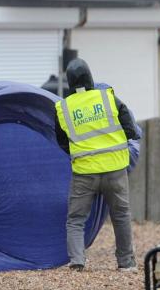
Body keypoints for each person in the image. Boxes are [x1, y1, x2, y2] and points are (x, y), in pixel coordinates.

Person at [53, 59, 139, 271]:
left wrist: (82, 153)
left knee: (75, 220)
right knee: (121, 216)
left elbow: (62, 142)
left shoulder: (63, 108)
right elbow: (131, 130)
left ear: (69, 83)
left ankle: (77, 261)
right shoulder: (108, 97)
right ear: (91, 77)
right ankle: (126, 263)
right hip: (115, 169)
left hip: (84, 173)